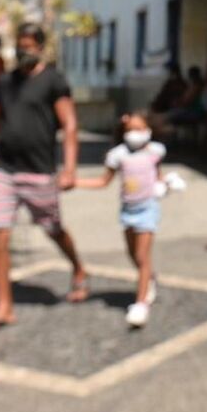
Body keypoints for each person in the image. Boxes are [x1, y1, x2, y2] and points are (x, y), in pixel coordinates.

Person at [0, 23, 88, 337]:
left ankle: (78, 266)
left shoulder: (53, 81)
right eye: (20, 44)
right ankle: (4, 306)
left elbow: (69, 125)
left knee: (53, 229)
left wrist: (69, 168)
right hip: (4, 170)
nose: (23, 50)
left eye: (30, 45)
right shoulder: (5, 82)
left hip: (39, 171)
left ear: (41, 47)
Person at [76, 112, 165, 327]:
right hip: (128, 211)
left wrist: (166, 184)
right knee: (133, 254)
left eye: (140, 129)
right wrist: (76, 182)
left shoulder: (155, 151)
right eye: (131, 130)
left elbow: (159, 175)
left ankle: (140, 304)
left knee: (143, 256)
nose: (136, 134)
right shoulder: (118, 155)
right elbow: (103, 181)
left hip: (148, 209)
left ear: (149, 130)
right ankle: (149, 279)